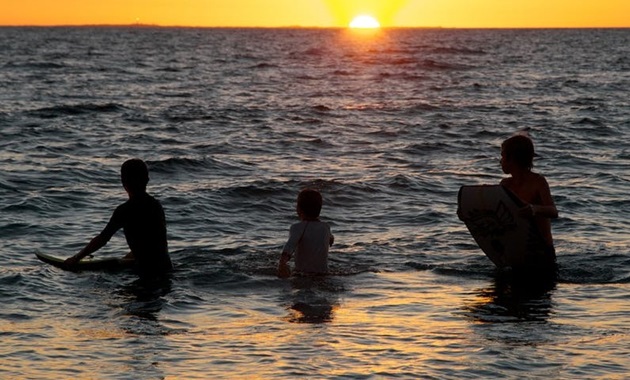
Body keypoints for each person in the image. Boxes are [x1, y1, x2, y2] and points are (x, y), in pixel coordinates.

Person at [65, 159, 173, 278]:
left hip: (146, 274)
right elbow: (152, 243)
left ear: (123, 182)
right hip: (167, 271)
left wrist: (76, 258)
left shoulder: (125, 210)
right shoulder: (156, 206)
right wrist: (130, 257)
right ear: (147, 180)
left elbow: (102, 239)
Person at [500, 134, 558, 271]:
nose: (500, 161)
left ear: (512, 158)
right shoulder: (504, 185)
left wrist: (534, 209)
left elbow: (553, 211)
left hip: (541, 252)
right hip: (515, 250)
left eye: (502, 156)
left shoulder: (538, 182)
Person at [278, 189, 334, 277]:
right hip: (323, 274)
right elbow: (330, 238)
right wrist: (331, 239)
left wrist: (282, 263)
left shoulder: (297, 227)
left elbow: (290, 246)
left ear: (299, 209)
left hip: (303, 274)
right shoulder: (326, 227)